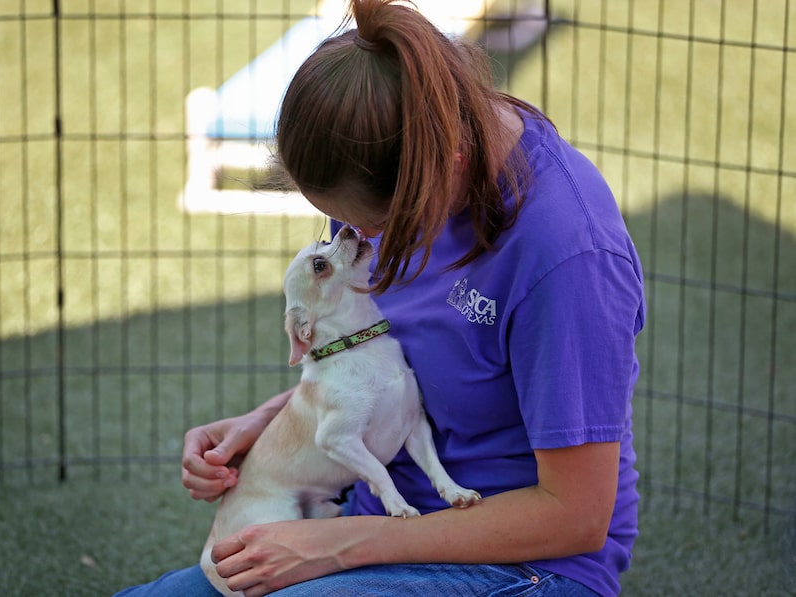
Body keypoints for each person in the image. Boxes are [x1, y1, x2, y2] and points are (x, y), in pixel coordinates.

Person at [116, 0, 645, 595]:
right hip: (380, 518)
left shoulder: (570, 255)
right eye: (342, 227)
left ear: (442, 166)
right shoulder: (406, 159)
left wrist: (338, 546)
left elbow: (574, 515)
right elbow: (406, 360)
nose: (362, 242)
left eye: (376, 225)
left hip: (525, 564)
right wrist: (269, 426)